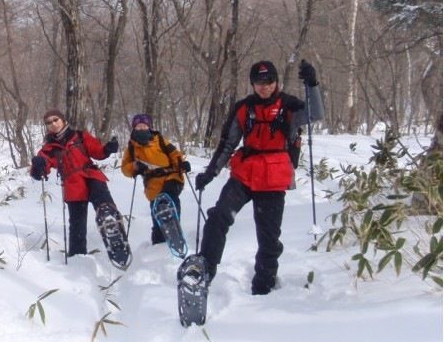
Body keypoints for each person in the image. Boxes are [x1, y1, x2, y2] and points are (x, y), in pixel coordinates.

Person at [193, 60, 324, 295]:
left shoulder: (289, 106)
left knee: (269, 238)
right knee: (219, 216)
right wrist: (211, 172)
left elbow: (315, 114)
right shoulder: (244, 108)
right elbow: (228, 143)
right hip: (244, 175)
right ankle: (205, 268)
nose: (264, 87)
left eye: (269, 82)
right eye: (259, 83)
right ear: (252, 84)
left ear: (277, 82)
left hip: (273, 179)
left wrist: (312, 84)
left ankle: (264, 285)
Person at [29, 109, 121, 257]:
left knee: (103, 204)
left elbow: (98, 151)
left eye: (55, 120)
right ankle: (77, 258)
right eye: (48, 122)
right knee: (77, 226)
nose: (53, 124)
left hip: (91, 176)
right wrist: (38, 166)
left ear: (63, 120)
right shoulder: (49, 148)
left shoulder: (80, 136)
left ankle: (112, 226)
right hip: (73, 186)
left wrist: (108, 149)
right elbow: (41, 170)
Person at [121, 114, 191, 245]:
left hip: (172, 177)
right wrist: (135, 166)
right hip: (152, 185)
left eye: (144, 125)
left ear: (149, 127)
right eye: (139, 126)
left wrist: (182, 164)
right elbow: (125, 169)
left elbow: (175, 155)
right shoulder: (131, 147)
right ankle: (159, 243)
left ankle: (175, 231)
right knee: (157, 214)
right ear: (134, 128)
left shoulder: (160, 140)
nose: (142, 128)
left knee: (168, 200)